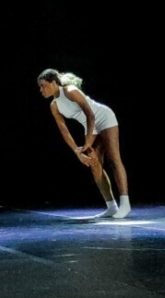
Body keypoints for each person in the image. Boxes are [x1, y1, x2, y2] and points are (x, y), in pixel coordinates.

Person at [37, 68, 131, 219]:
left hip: (103, 118)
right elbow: (64, 131)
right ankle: (111, 207)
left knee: (114, 159)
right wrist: (77, 151)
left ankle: (125, 204)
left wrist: (87, 142)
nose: (41, 90)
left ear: (54, 83)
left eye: (43, 85)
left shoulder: (70, 91)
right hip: (89, 126)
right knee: (94, 165)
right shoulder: (54, 106)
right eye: (40, 87)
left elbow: (90, 115)